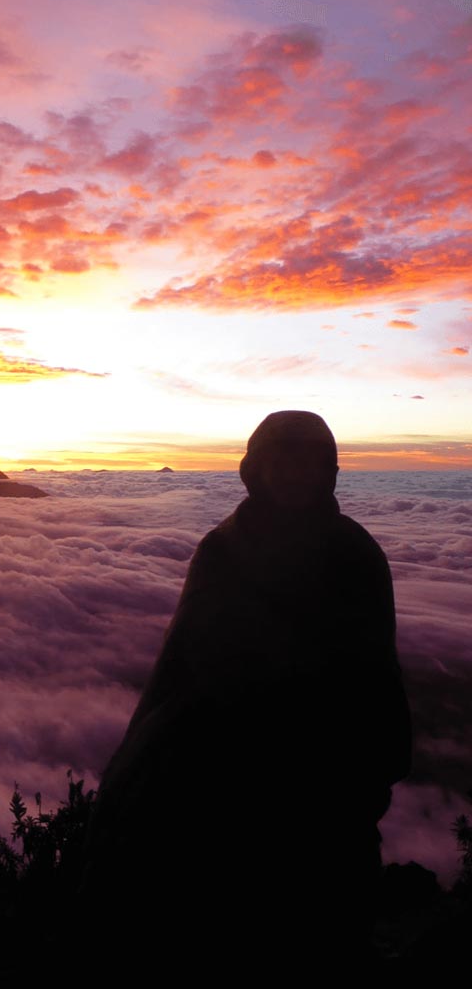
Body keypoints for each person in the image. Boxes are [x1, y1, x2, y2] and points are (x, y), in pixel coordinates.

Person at [82, 411, 412, 966]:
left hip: (320, 774)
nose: (296, 473)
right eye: (283, 459)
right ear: (254, 468)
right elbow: (180, 662)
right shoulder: (223, 549)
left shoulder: (354, 555)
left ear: (329, 472)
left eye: (311, 462)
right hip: (216, 764)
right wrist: (137, 759)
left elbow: (373, 672)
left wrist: (368, 767)